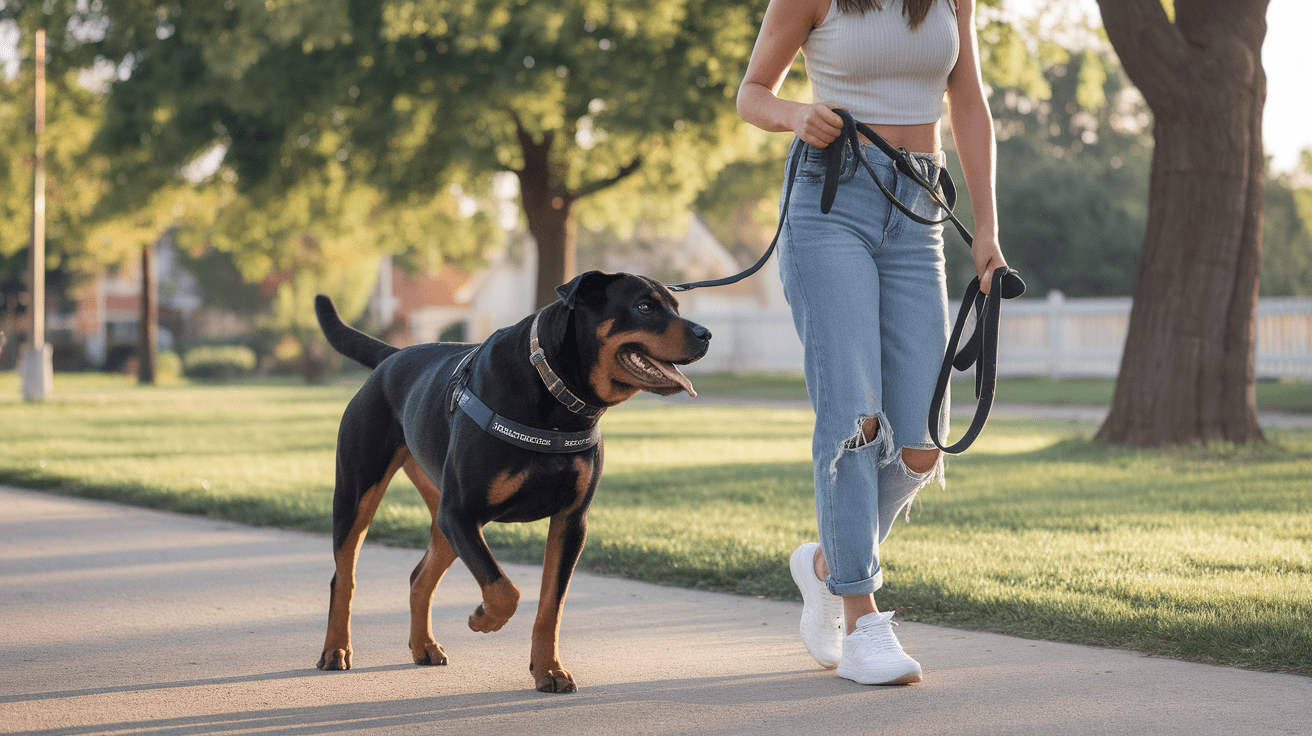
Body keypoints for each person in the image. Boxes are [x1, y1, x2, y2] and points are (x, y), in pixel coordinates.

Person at [737, 0, 1008, 685]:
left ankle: (827, 562)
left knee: (923, 440)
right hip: (831, 203)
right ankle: (862, 620)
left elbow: (968, 103)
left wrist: (985, 228)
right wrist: (797, 113)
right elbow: (751, 94)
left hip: (919, 208)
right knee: (854, 414)